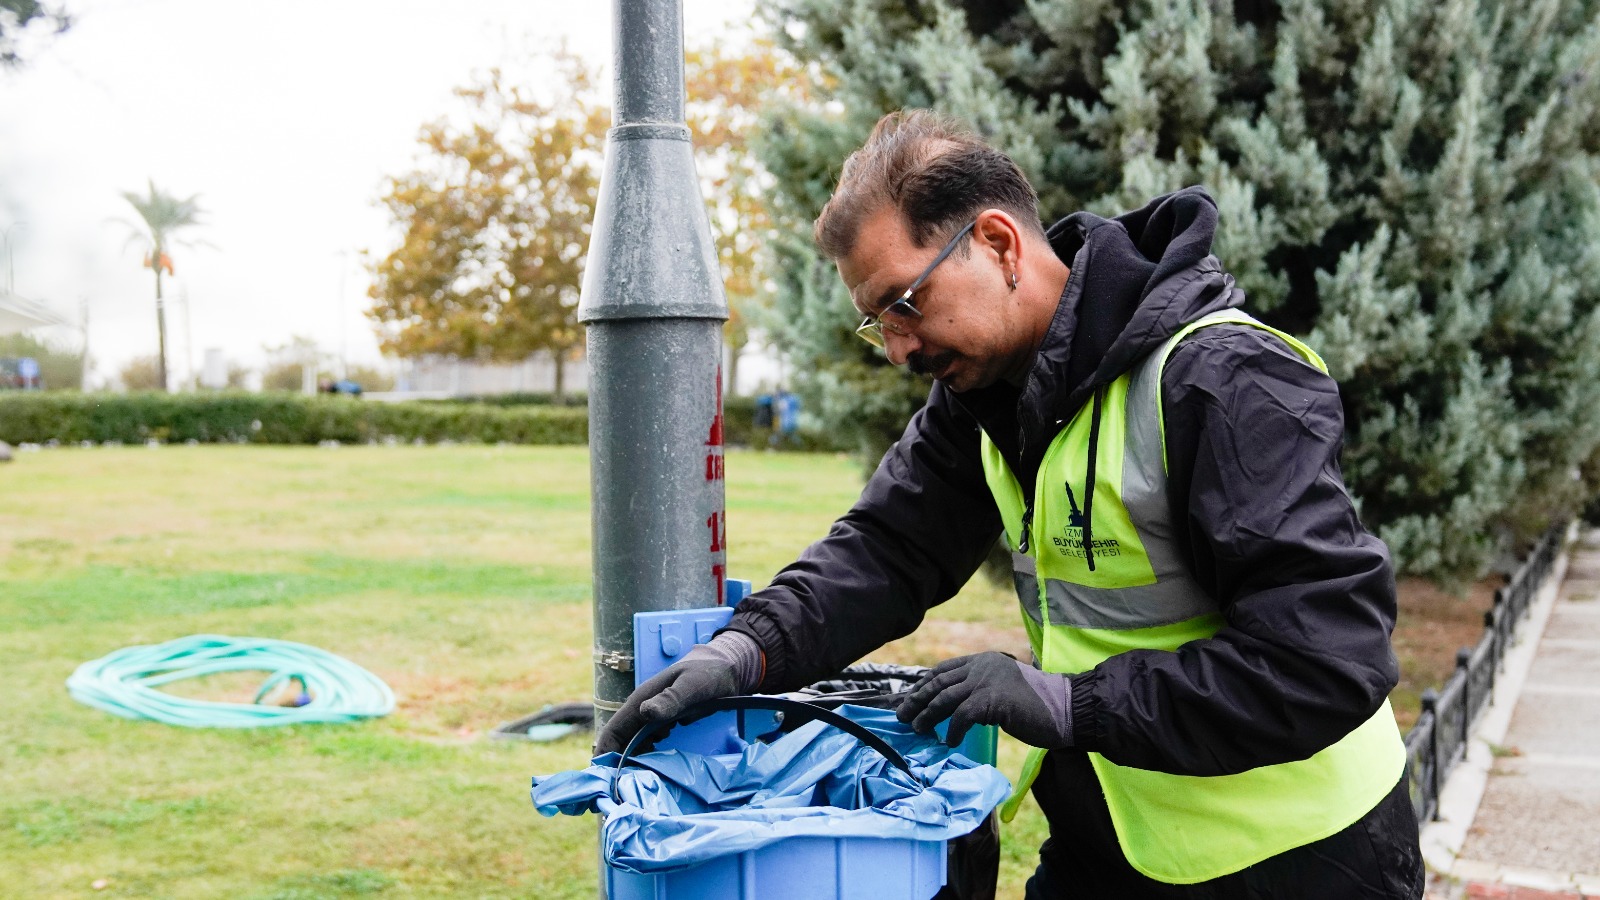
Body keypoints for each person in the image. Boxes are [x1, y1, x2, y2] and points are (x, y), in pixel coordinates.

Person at [596, 110, 1423, 898]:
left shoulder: (1225, 380)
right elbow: (888, 550)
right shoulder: (985, 394)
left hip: (1299, 857)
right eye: (874, 324)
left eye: (903, 303)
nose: (897, 349)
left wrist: (1064, 701)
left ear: (996, 244)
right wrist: (745, 652)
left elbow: (1324, 660)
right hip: (1113, 831)